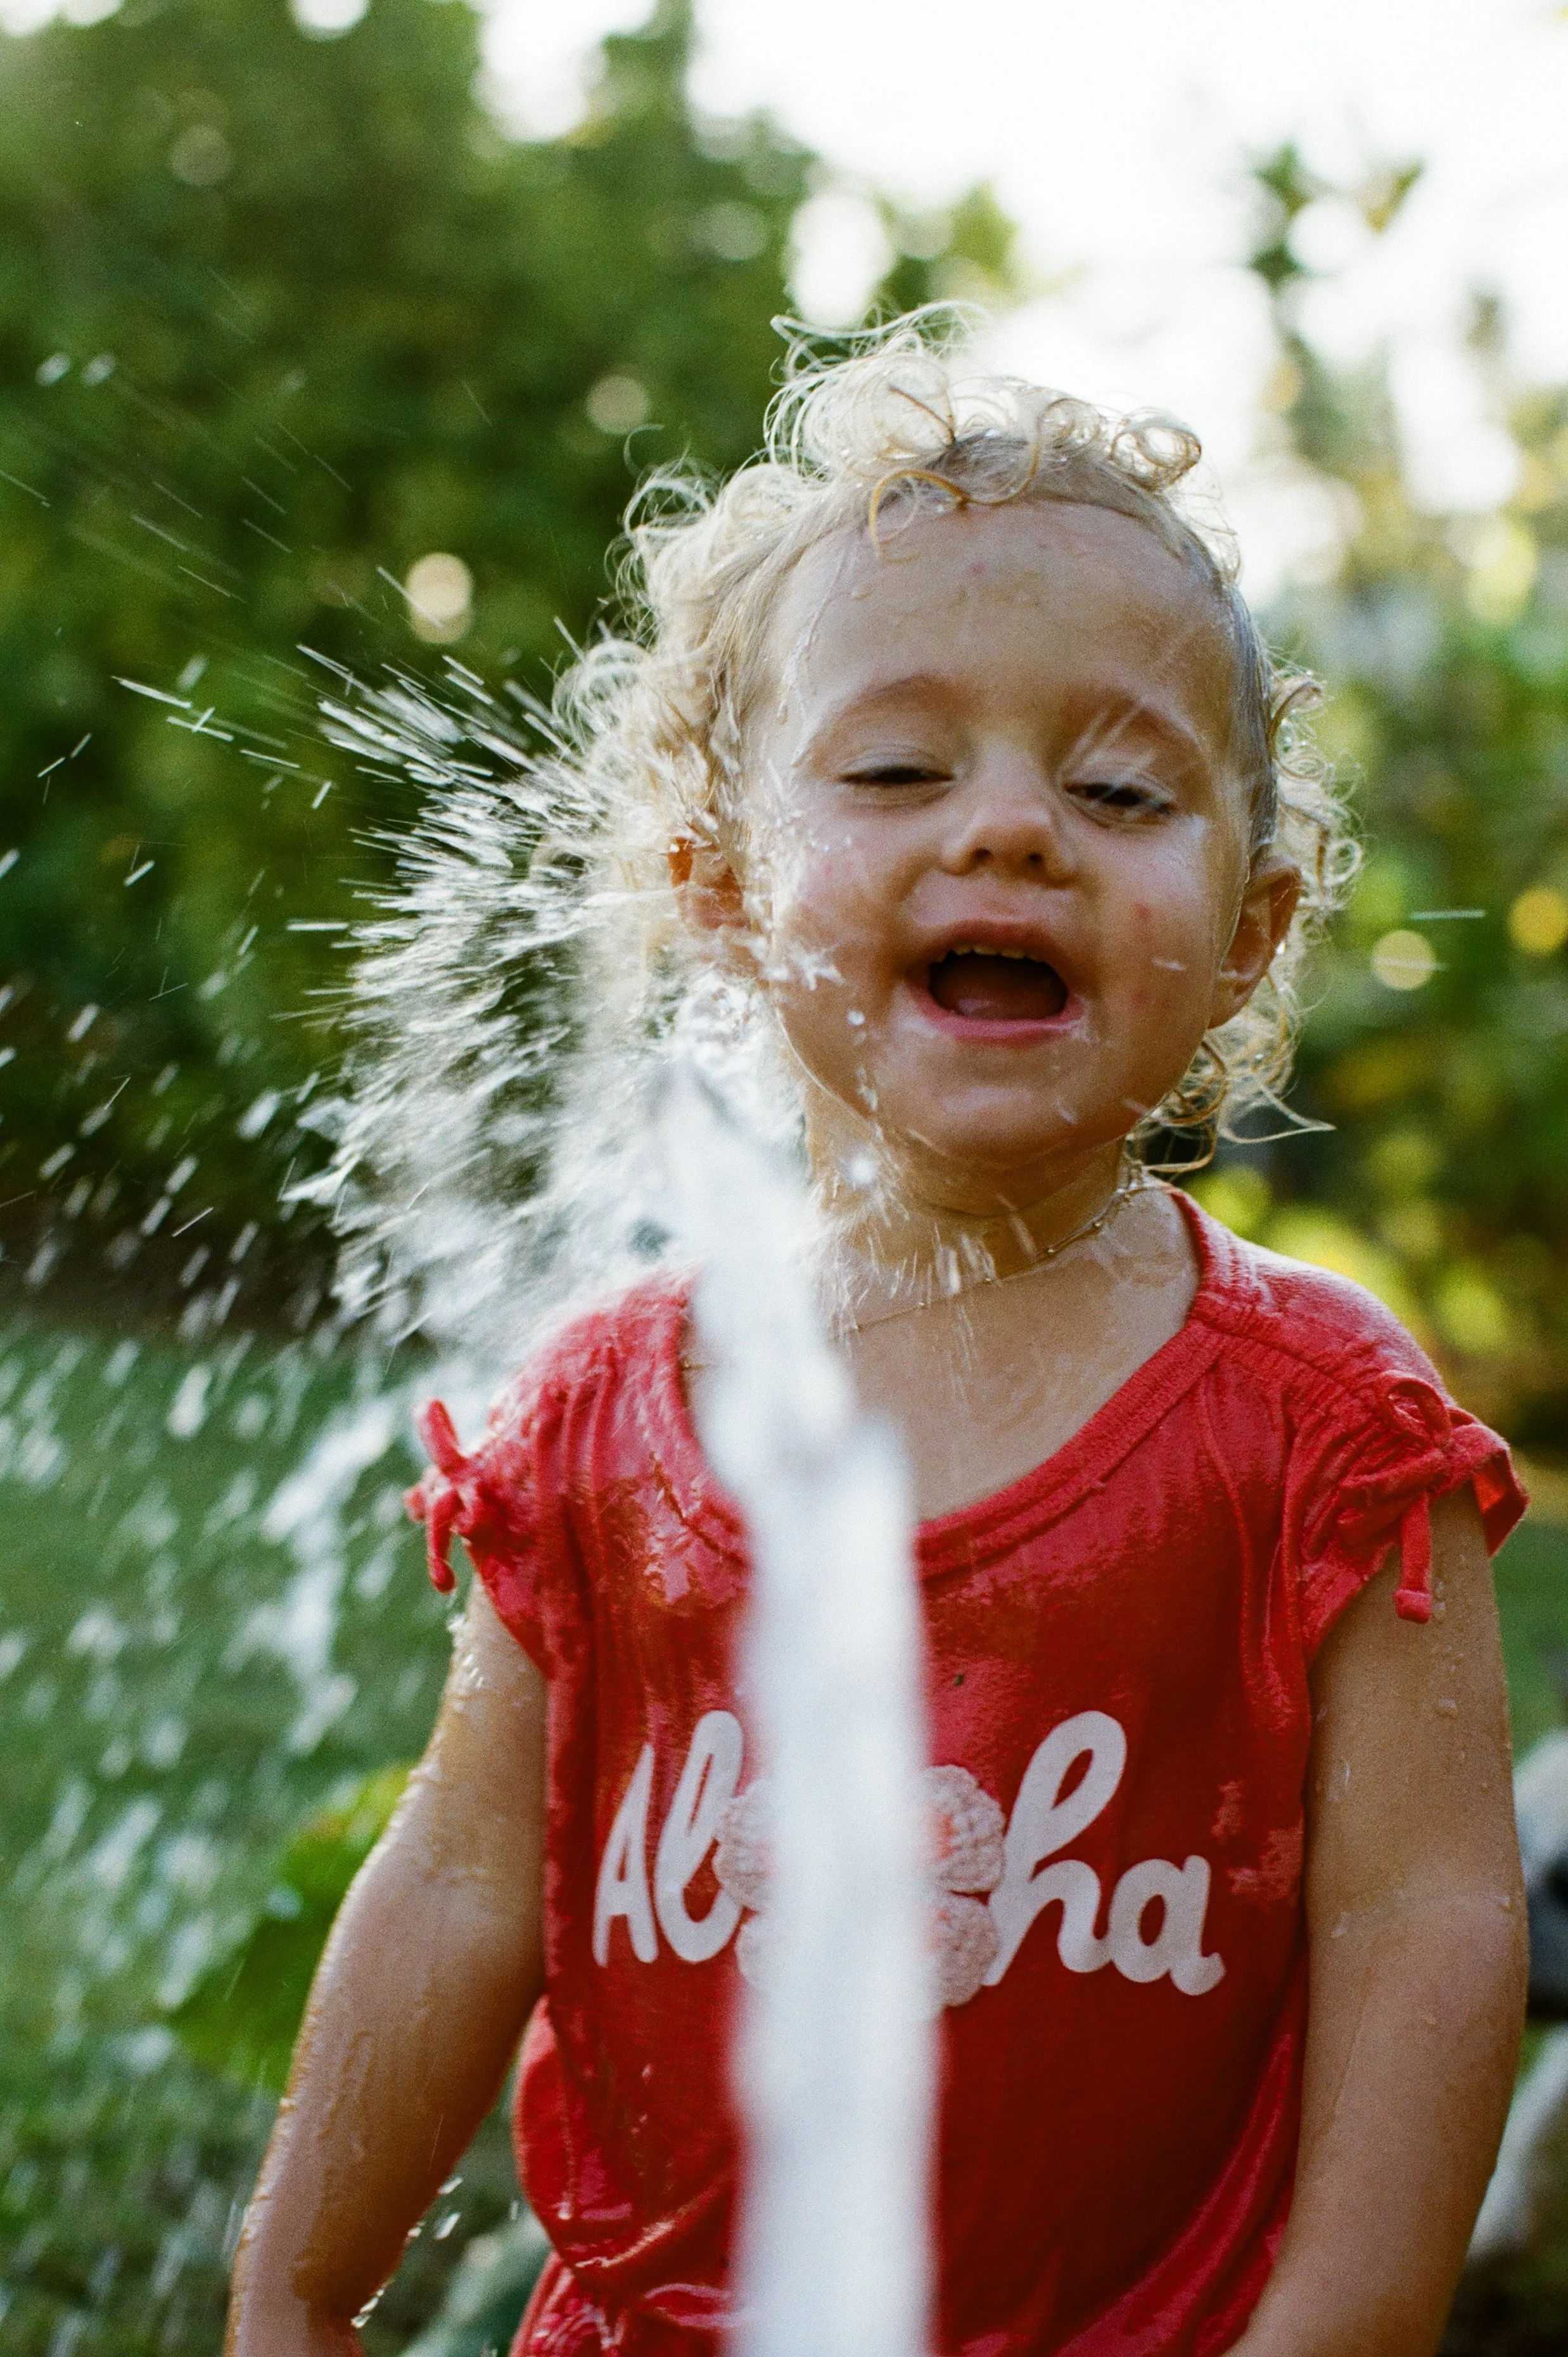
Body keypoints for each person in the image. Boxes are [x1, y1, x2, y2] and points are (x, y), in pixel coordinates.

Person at [225, 320, 1529, 2357]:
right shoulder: (604, 1421)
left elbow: (1422, 1919)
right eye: (900, 769)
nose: (1010, 829)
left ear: (1252, 929)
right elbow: (466, 1881)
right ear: (726, 889)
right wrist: (297, 2289)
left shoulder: (1325, 1434)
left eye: (1119, 787)